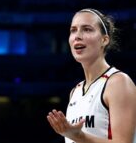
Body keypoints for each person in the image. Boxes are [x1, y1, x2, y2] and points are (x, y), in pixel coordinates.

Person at [47, 8, 136, 143]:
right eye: (73, 30)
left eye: (87, 29)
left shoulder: (118, 82)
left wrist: (79, 137)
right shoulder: (75, 92)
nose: (77, 35)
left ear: (104, 40)